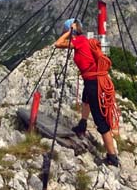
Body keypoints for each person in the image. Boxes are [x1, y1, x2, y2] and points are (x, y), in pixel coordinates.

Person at [50, 18, 120, 167]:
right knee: (85, 98)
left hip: (93, 83)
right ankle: (82, 123)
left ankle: (112, 157)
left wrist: (69, 32)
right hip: (93, 82)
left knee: (100, 122)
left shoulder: (79, 41)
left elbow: (57, 44)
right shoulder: (85, 40)